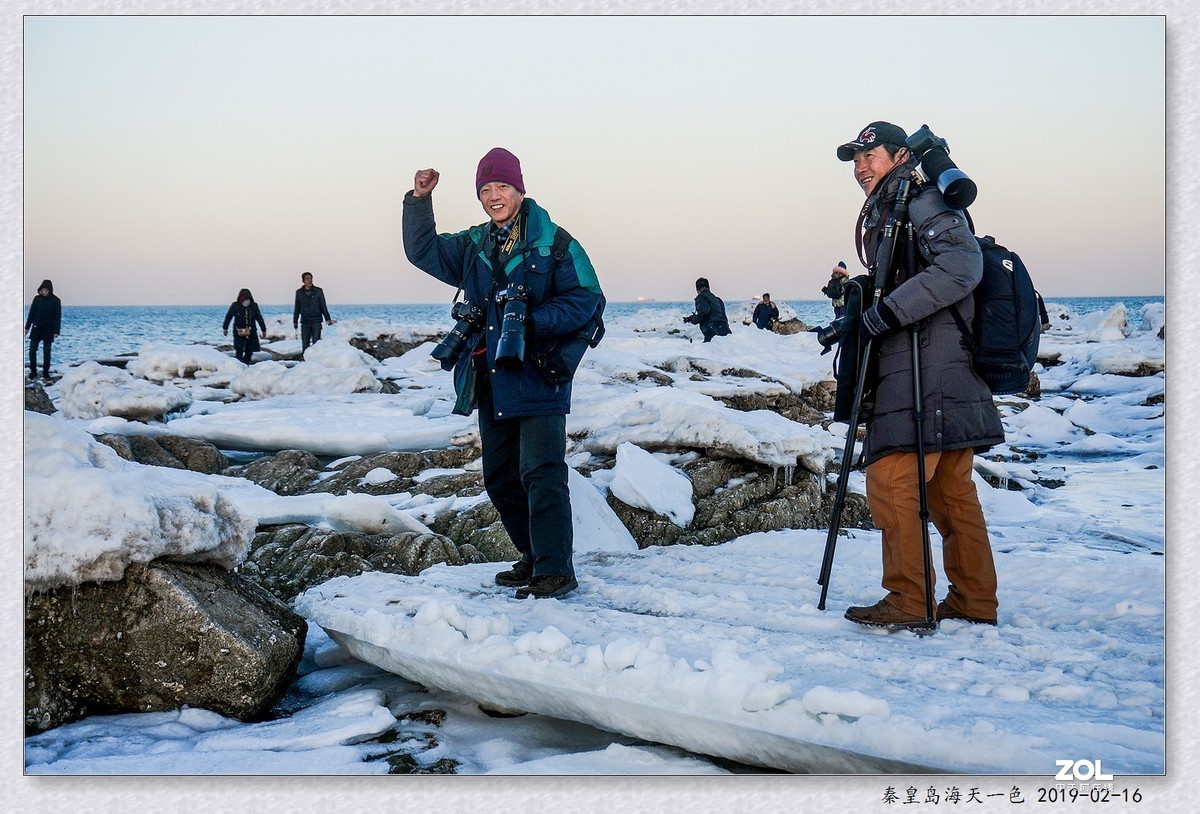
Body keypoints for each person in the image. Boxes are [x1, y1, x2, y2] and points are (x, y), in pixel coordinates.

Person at [403, 147, 604, 600]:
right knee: (499, 476)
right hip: (490, 373)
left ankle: (555, 571)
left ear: (519, 189)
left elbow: (586, 299)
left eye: (502, 187)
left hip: (539, 371)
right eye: (486, 189)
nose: (494, 196)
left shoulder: (554, 242)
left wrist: (531, 321)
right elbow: (423, 252)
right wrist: (419, 202)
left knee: (542, 471)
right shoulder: (474, 245)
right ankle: (534, 558)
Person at [834, 121, 1005, 631]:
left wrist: (885, 315)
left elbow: (960, 266)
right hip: (947, 368)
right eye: (856, 160)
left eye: (871, 156)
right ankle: (975, 600)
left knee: (890, 482)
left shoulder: (920, 199)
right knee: (953, 491)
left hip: (925, 371)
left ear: (902, 155)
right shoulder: (905, 202)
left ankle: (909, 601)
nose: (861, 167)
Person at [25, 279, 61, 379]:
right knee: (32, 350)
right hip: (36, 328)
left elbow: (57, 317)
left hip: (48, 329)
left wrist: (56, 331)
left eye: (46, 290)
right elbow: (31, 313)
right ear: (40, 290)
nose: (44, 292)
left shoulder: (56, 300)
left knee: (47, 351)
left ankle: (46, 372)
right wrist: (27, 327)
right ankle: (33, 371)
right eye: (43, 290)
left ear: (50, 290)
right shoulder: (37, 299)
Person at [223, 287, 267, 365]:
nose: (245, 300)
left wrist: (263, 329)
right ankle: (239, 365)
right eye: (243, 298)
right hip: (238, 331)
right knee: (239, 349)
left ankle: (245, 364)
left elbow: (259, 317)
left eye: (246, 298)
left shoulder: (253, 306)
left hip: (251, 331)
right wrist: (225, 327)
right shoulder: (235, 305)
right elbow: (229, 316)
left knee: (249, 350)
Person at [293, 272, 335, 351]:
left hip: (316, 320)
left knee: (316, 344)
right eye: (307, 279)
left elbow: (323, 306)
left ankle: (316, 361)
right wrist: (295, 321)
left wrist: (328, 319)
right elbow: (297, 307)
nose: (309, 280)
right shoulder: (299, 292)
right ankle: (306, 362)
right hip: (305, 321)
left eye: (311, 278)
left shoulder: (318, 291)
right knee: (305, 344)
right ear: (303, 281)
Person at [683, 277, 731, 341]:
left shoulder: (701, 297)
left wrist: (693, 320)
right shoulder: (718, 300)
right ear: (709, 287)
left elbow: (704, 312)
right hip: (726, 330)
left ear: (697, 290)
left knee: (708, 350)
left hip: (712, 331)